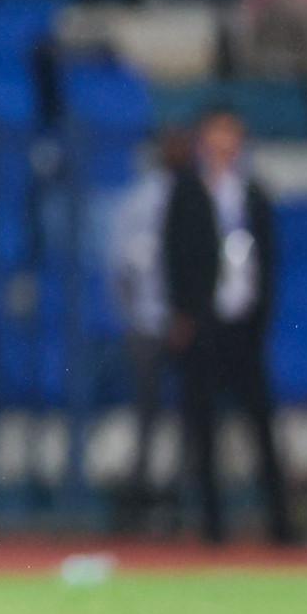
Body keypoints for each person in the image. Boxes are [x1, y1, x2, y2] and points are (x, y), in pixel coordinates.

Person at [163, 107, 293, 544]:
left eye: (232, 133)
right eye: (217, 133)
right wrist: (182, 314)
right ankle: (213, 526)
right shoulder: (188, 191)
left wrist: (261, 314)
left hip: (244, 324)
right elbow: (174, 256)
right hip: (205, 324)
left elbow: (268, 259)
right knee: (204, 429)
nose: (225, 142)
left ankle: (280, 524)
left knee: (261, 426)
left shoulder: (252, 192)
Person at [107, 128, 191, 532]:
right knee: (151, 418)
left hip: (176, 320)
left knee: (178, 417)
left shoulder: (192, 195)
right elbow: (121, 266)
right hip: (152, 320)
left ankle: (175, 499)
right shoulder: (142, 200)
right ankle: (149, 500)